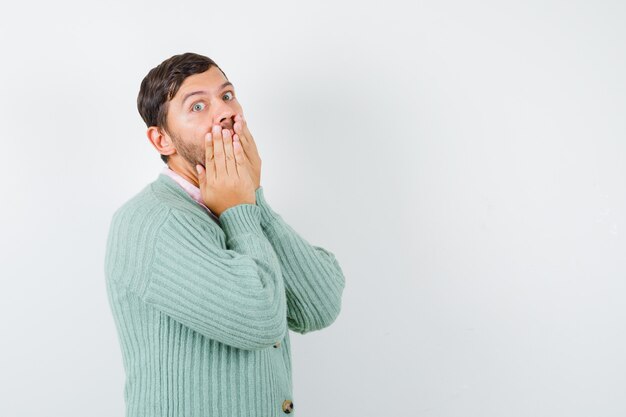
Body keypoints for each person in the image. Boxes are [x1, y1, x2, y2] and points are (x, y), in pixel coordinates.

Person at [104, 52, 346, 417]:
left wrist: (254, 200)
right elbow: (260, 320)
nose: (224, 112)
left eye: (227, 96)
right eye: (198, 105)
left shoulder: (237, 206)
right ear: (161, 140)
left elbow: (320, 307)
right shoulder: (151, 222)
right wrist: (240, 212)